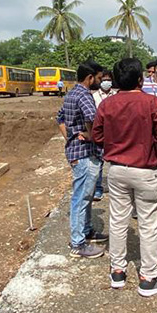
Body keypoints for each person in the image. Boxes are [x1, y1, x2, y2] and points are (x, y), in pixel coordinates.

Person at [92, 58, 157, 297]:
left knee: (118, 220)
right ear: (140, 79)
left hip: (117, 169)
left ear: (115, 80)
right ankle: (148, 277)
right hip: (146, 169)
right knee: (149, 224)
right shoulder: (151, 103)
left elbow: (97, 135)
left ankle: (117, 271)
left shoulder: (107, 104)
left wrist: (114, 145)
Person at [55, 63, 108, 258]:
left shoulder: (70, 94)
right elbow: (93, 119)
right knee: (81, 197)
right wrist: (92, 136)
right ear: (90, 77)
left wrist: (69, 136)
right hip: (84, 153)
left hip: (76, 152)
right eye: (100, 78)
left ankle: (86, 231)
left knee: (85, 195)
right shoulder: (84, 95)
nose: (101, 81)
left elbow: (59, 118)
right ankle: (78, 243)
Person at [92, 73, 116, 201]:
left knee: (116, 162)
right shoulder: (94, 96)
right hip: (100, 133)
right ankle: (98, 189)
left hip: (114, 133)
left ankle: (116, 188)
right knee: (99, 163)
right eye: (104, 80)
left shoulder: (116, 96)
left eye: (109, 80)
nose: (106, 82)